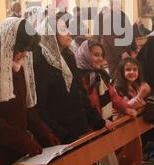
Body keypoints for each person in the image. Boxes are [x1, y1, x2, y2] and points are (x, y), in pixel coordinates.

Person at [0, 18, 59, 165]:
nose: (23, 55)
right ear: (7, 43)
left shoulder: (17, 66)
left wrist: (44, 133)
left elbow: (25, 107)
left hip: (18, 151)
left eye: (26, 50)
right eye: (20, 49)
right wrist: (23, 141)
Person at [33, 15, 106, 144]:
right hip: (61, 135)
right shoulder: (40, 62)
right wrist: (61, 132)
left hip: (79, 127)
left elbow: (80, 91)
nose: (68, 33)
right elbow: (41, 106)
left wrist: (96, 119)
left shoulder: (68, 57)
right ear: (51, 34)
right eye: (62, 29)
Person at [95, 0, 133, 77]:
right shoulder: (108, 17)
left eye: (120, 4)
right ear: (111, 6)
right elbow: (110, 37)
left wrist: (132, 48)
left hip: (125, 48)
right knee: (116, 74)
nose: (120, 6)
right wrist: (121, 52)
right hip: (114, 51)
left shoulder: (122, 14)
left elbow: (129, 30)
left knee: (125, 73)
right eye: (117, 5)